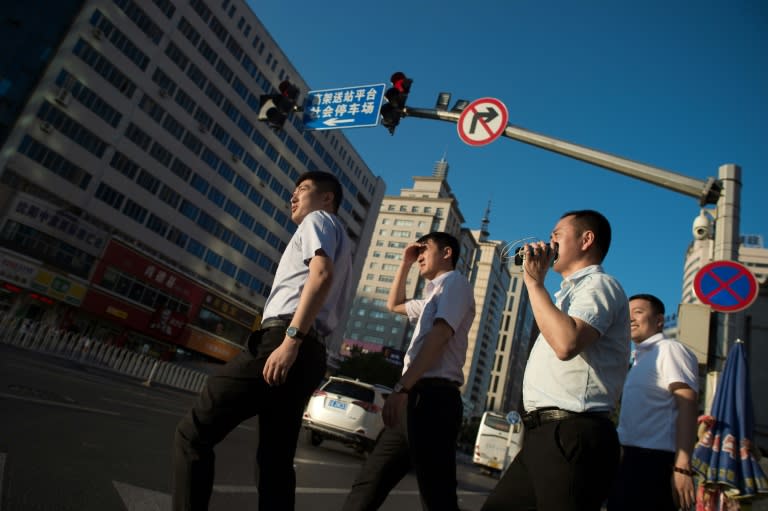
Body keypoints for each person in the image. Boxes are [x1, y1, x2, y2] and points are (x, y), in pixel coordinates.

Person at [173, 171, 353, 511]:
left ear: (327, 198)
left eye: (303, 189)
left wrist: (290, 340)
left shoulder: (319, 219)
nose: (293, 197)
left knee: (192, 433)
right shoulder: (343, 240)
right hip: (312, 351)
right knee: (274, 463)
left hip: (284, 340)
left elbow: (322, 274)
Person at [482, 209, 630, 511]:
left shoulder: (600, 285)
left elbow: (566, 343)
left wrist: (535, 284)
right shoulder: (565, 295)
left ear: (586, 239)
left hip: (574, 433)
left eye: (556, 235)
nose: (548, 242)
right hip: (545, 435)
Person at [342, 232, 476, 511]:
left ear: (447, 253)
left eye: (425, 249)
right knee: (369, 482)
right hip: (412, 396)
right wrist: (404, 263)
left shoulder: (456, 283)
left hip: (435, 399)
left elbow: (440, 335)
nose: (420, 256)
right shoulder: (429, 298)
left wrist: (401, 387)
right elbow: (394, 304)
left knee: (437, 498)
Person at [607, 294, 698, 511]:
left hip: (656, 462)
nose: (630, 319)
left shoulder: (670, 349)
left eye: (638, 312)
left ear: (659, 320)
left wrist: (682, 466)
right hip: (629, 460)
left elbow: (687, 403)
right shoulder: (639, 359)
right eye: (626, 314)